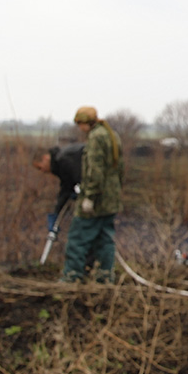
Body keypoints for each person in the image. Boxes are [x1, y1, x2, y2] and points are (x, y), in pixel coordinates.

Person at [63, 106, 124, 284]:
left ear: (86, 122)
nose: (80, 128)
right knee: (105, 239)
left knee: (77, 238)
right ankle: (105, 278)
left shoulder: (96, 137)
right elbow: (119, 169)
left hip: (97, 200)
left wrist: (89, 196)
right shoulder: (112, 135)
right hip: (111, 199)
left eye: (80, 124)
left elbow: (95, 171)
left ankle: (71, 277)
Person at [32, 143, 85, 231]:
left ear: (45, 158)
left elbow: (81, 178)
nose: (42, 171)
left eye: (40, 167)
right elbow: (66, 188)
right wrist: (57, 212)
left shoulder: (63, 159)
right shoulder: (59, 164)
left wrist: (81, 191)